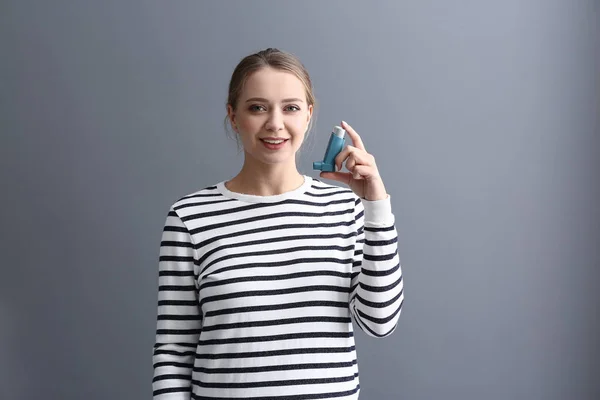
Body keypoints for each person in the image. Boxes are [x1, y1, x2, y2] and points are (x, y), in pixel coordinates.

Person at [152, 48, 404, 399]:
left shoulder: (345, 209)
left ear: (308, 116)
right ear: (233, 115)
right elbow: (174, 353)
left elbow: (380, 323)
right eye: (257, 107)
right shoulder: (190, 217)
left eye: (291, 108)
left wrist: (376, 204)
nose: (275, 123)